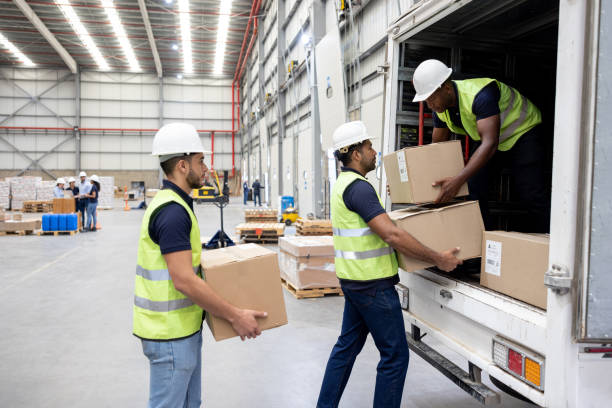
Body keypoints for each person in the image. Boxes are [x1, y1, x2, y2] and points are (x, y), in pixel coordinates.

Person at [317, 121, 462, 408]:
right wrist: (438, 257)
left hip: (356, 284)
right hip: (373, 287)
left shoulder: (343, 185)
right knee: (395, 356)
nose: (374, 151)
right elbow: (391, 234)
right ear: (355, 153)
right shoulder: (358, 189)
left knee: (345, 350)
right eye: (368, 146)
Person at [133, 123, 267, 408]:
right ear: (182, 165)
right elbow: (183, 280)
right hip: (170, 336)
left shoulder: (176, 204)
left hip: (181, 331)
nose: (205, 167)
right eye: (200, 160)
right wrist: (235, 315)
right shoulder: (172, 213)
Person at [412, 59, 549, 232]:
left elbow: (489, 144)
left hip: (523, 132)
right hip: (495, 141)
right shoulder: (440, 109)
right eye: (426, 100)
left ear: (446, 88)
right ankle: (484, 247)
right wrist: (414, 180)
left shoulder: (480, 95)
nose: (429, 105)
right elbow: (436, 148)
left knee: (531, 193)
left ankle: (549, 244)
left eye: (431, 98)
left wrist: (458, 181)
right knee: (474, 190)